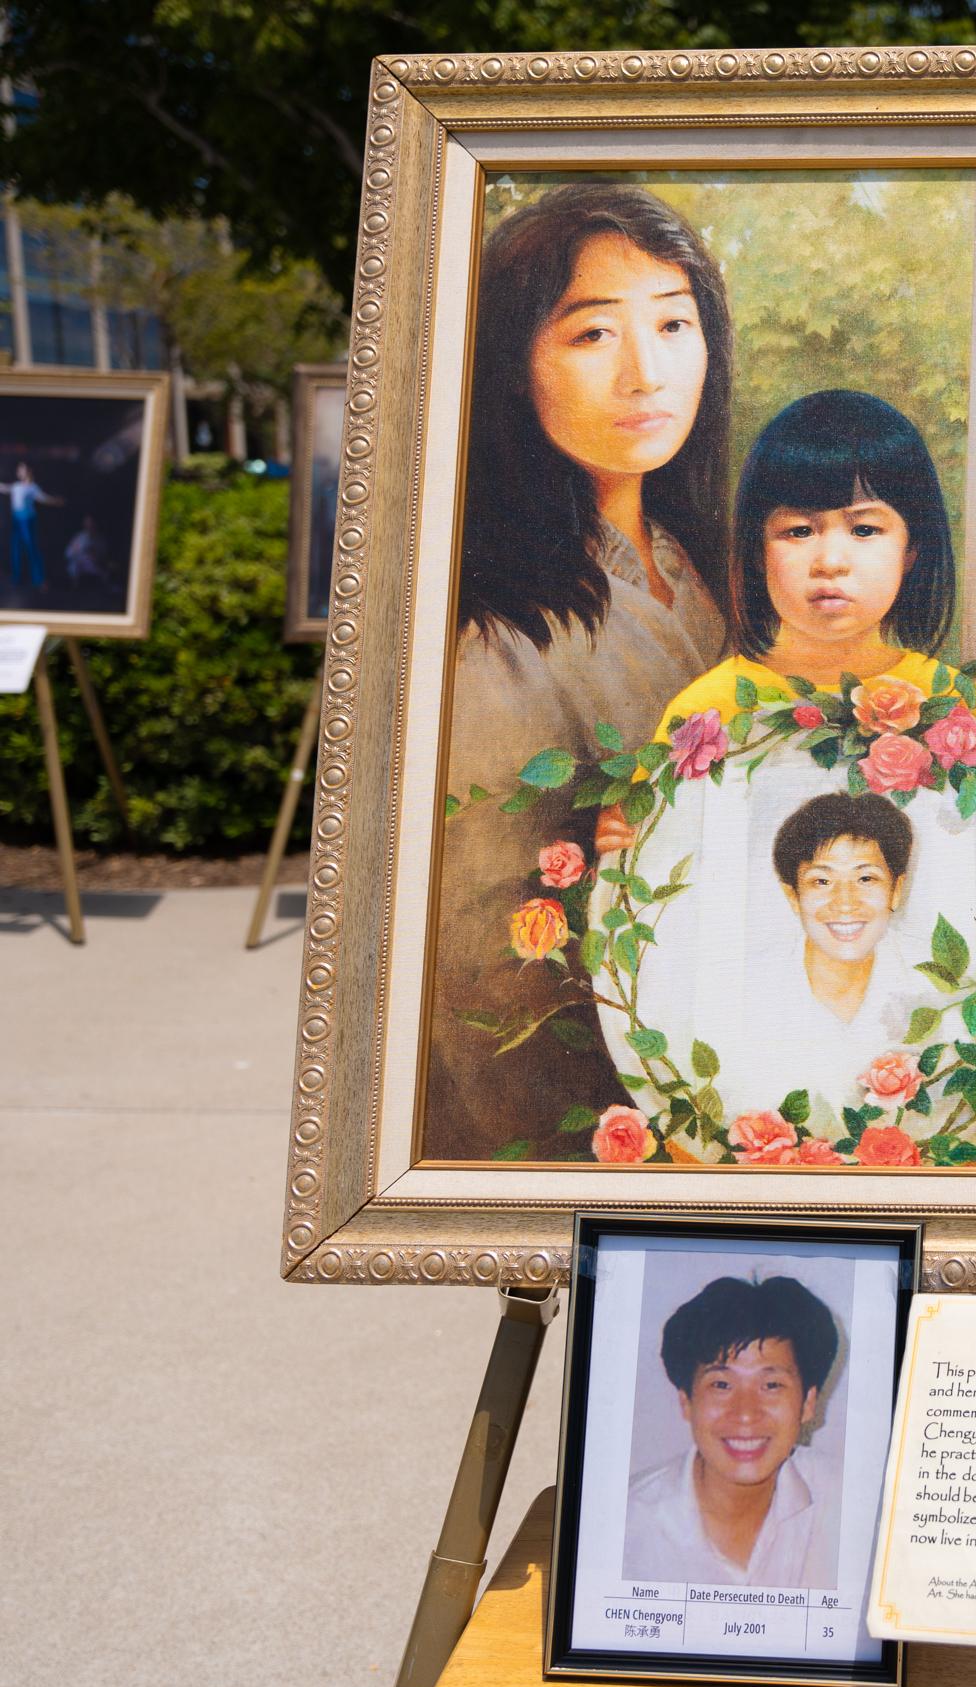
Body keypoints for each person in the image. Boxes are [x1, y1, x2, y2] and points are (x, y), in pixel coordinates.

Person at [422, 183, 733, 1160]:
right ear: (516, 366)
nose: (648, 372)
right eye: (593, 335)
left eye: (675, 324)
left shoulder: (694, 563)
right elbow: (487, 969)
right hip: (602, 1114)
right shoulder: (495, 634)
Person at [597, 388, 976, 851]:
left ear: (911, 549)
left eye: (865, 529)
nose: (830, 560)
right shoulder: (707, 710)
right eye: (799, 531)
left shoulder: (956, 708)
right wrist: (624, 837)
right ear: (757, 551)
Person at [623, 1274, 842, 1588]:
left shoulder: (850, 1504)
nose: (745, 1414)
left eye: (771, 1385)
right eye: (722, 1385)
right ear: (686, 1401)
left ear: (808, 1403)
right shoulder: (624, 1524)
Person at [773, 792, 911, 1025]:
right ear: (793, 896)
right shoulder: (753, 985)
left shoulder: (930, 982)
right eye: (822, 881)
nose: (845, 903)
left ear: (895, 890)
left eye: (866, 879)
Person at [2, 462, 65, 590]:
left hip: (28, 521)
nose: (19, 472)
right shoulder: (16, 486)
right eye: (18, 470)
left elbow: (43, 498)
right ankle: (16, 578)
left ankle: (39, 579)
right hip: (17, 521)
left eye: (22, 470)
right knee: (16, 549)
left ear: (28, 471)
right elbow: (3, 488)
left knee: (32, 549)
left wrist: (56, 501)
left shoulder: (32, 487)